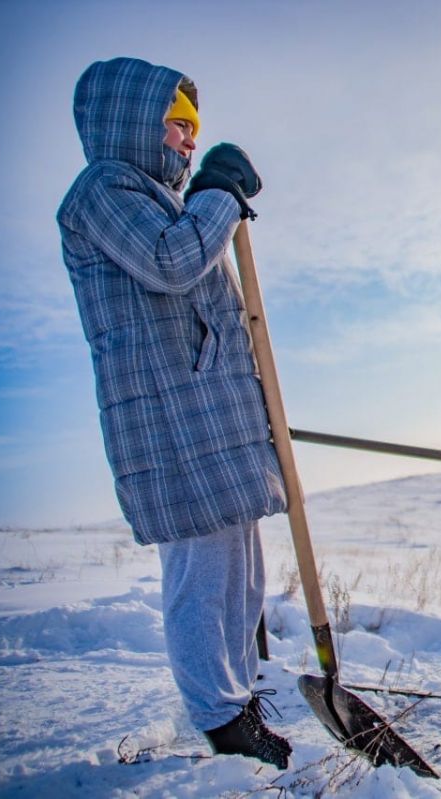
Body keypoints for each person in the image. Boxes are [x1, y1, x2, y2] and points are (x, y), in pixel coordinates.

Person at [58, 57, 291, 768]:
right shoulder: (103, 191)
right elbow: (170, 261)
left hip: (207, 414)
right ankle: (220, 718)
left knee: (241, 565)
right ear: (135, 121)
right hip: (171, 419)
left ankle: (238, 690)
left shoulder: (159, 197)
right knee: (203, 565)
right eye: (176, 125)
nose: (190, 141)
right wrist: (219, 192)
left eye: (195, 128)